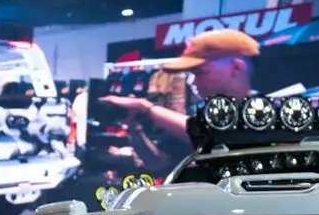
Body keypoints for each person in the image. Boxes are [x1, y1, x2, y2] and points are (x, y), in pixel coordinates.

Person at [100, 29, 260, 176]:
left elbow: (216, 134)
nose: (194, 82)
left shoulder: (265, 113)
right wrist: (135, 128)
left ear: (236, 68)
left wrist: (146, 108)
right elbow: (157, 162)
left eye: (201, 72)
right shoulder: (199, 114)